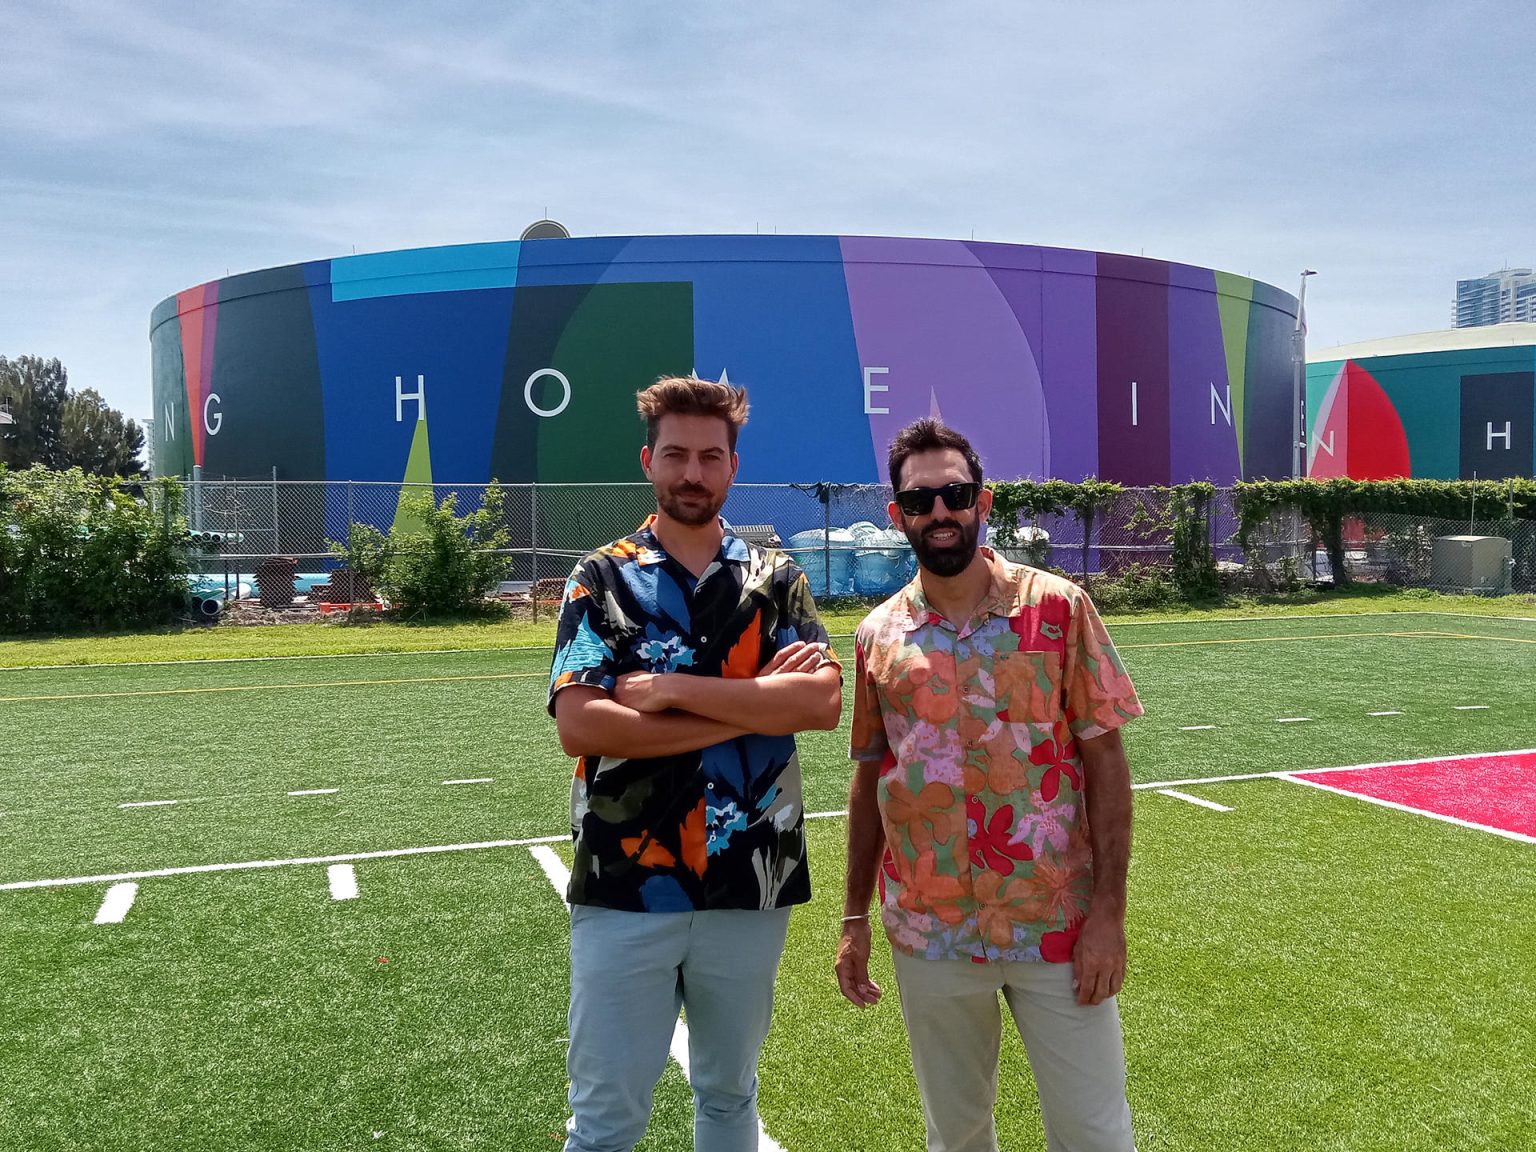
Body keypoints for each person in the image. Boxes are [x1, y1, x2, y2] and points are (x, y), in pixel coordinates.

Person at [548, 374, 843, 1152]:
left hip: (753, 874)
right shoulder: (602, 576)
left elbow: (818, 705)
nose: (692, 472)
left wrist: (675, 692)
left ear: (732, 469)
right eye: (675, 454)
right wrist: (750, 701)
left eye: (710, 457)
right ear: (649, 460)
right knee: (606, 1120)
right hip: (625, 877)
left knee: (728, 1095)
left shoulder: (775, 580)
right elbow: (582, 725)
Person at [836, 418, 1142, 1152]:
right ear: (898, 516)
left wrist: (1109, 913)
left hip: (1056, 922)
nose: (939, 512)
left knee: (1095, 1133)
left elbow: (1107, 765)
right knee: (958, 1137)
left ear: (984, 501)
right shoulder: (878, 634)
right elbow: (873, 774)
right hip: (929, 928)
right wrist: (852, 918)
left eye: (954, 494)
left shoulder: (1059, 609)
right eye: (920, 501)